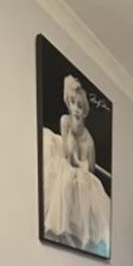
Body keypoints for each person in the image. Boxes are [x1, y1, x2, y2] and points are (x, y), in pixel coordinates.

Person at [42, 75, 110, 255]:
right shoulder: (65, 121)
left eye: (80, 105)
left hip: (79, 169)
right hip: (66, 161)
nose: (76, 109)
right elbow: (66, 154)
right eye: (73, 103)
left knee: (82, 185)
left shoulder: (89, 140)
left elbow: (91, 170)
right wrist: (75, 160)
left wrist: (80, 164)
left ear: (85, 109)